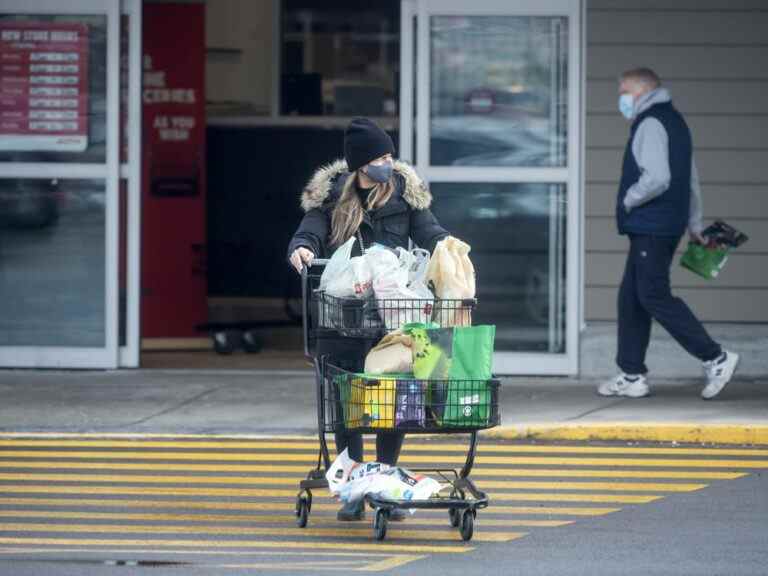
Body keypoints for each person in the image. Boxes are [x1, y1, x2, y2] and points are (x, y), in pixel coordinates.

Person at [287, 117, 449, 520]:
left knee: (393, 402)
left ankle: (388, 482)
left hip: (390, 320)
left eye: (390, 155)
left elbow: (430, 232)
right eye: (379, 157)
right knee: (347, 406)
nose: (387, 163)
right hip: (343, 319)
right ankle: (355, 487)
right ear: (359, 164)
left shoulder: (406, 197)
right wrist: (303, 249)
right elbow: (310, 230)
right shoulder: (332, 200)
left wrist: (447, 248)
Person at [598, 67, 739, 400]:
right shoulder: (675, 122)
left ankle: (714, 357)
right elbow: (689, 181)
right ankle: (631, 373)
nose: (622, 98)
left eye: (624, 92)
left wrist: (628, 200)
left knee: (653, 294)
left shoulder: (650, 123)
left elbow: (658, 178)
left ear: (642, 91)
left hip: (652, 225)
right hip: (664, 225)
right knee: (630, 297)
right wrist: (694, 223)